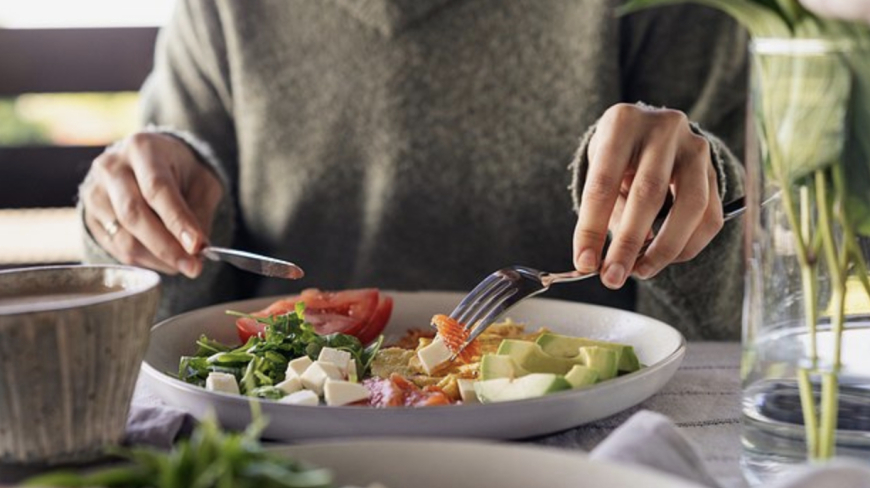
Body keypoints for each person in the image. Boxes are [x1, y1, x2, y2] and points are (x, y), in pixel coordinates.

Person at [78, 1, 748, 340]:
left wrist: (694, 202)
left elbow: (723, 344)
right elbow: (160, 320)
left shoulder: (679, 10)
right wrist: (132, 222)